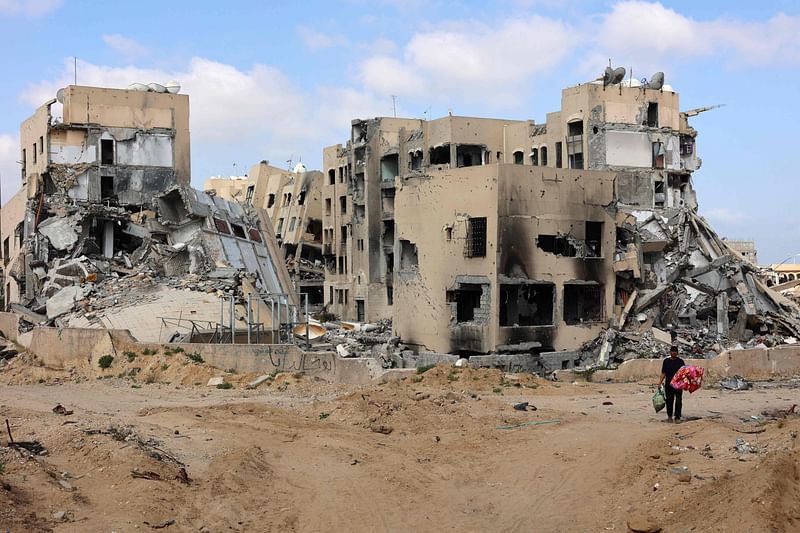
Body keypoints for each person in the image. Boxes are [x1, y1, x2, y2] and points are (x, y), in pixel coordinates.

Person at [658, 345, 686, 423]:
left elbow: (684, 373)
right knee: (669, 401)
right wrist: (660, 383)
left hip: (678, 385)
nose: (674, 353)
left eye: (675, 352)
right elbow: (663, 373)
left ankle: (677, 417)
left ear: (677, 353)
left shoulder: (680, 361)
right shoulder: (666, 361)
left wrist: (685, 382)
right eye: (672, 351)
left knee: (678, 401)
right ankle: (669, 416)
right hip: (669, 385)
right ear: (670, 352)